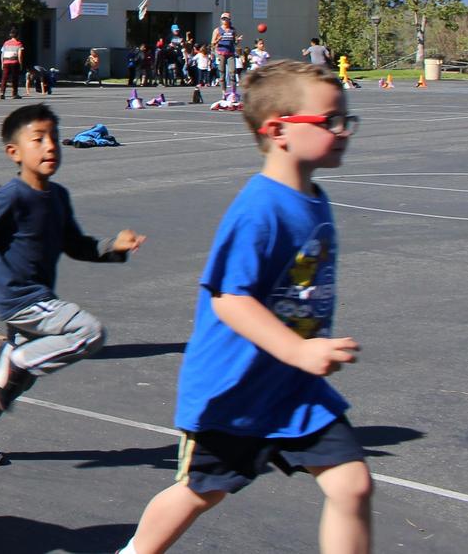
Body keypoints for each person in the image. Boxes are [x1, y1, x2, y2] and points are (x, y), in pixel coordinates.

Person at [118, 61, 366, 554]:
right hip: (235, 394)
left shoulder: (314, 198)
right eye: (330, 121)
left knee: (352, 485)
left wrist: (301, 360)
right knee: (199, 492)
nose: (342, 130)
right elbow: (230, 299)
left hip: (294, 392)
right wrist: (301, 351)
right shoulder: (261, 208)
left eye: (345, 120)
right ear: (278, 130)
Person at [0, 103, 146, 466]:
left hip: (39, 298)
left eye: (55, 138)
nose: (50, 147)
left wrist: (113, 247)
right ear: (14, 152)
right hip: (20, 298)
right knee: (89, 332)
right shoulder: (10, 197)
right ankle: (16, 360)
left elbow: (76, 245)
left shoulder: (58, 197)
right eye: (38, 139)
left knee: (15, 381)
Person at [212, 13, 244, 91]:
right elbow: (212, 43)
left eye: (226, 19)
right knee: (222, 73)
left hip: (230, 53)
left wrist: (238, 40)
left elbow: (235, 42)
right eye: (223, 19)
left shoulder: (233, 30)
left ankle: (233, 92)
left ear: (229, 20)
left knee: (232, 72)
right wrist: (218, 40)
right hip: (221, 53)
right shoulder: (217, 30)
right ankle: (224, 92)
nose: (224, 20)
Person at [0, 30, 25, 99]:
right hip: (14, 62)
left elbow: (2, 54)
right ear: (18, 36)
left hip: (6, 62)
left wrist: (2, 63)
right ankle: (14, 94)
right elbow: (20, 55)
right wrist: (21, 64)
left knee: (4, 78)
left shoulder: (5, 43)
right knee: (14, 78)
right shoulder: (19, 44)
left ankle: (2, 93)